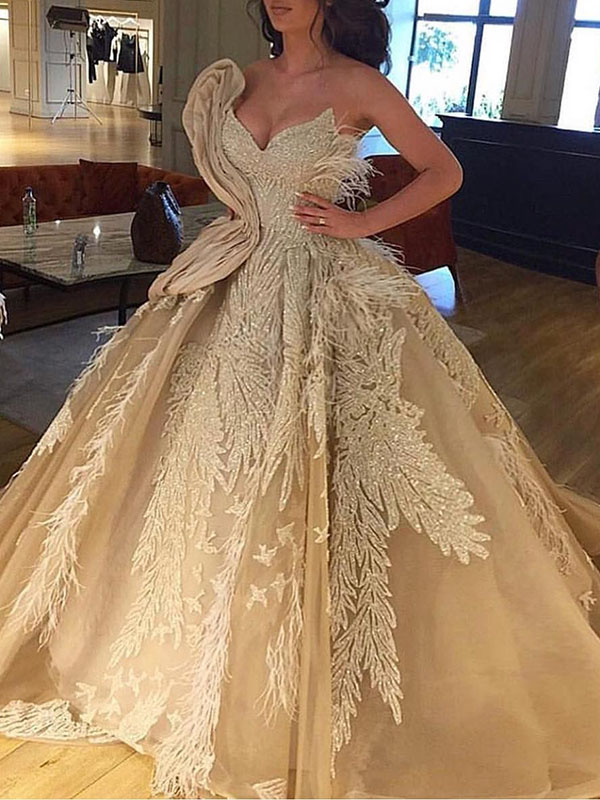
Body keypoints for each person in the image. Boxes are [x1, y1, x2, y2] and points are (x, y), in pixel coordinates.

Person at [1, 1, 600, 798]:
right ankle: (178, 636)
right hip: (232, 279)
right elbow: (231, 183)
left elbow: (445, 170)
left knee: (324, 460)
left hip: (322, 284)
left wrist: (362, 224)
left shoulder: (358, 84)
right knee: (188, 455)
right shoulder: (242, 79)